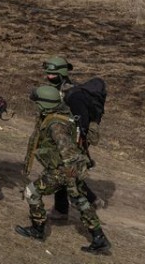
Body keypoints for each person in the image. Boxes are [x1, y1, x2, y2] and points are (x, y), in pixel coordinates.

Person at [17, 85, 111, 254]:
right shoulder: (62, 114)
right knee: (81, 201)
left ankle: (37, 230)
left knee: (31, 192)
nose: (36, 105)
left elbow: (68, 151)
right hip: (69, 169)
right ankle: (99, 237)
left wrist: (69, 177)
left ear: (45, 104)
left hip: (62, 170)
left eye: (38, 102)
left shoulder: (55, 125)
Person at [42, 56, 104, 218]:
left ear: (61, 74)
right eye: (48, 74)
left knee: (65, 172)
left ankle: (86, 204)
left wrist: (75, 146)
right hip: (61, 137)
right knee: (62, 171)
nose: (49, 77)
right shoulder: (59, 91)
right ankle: (65, 208)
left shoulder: (73, 95)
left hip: (73, 140)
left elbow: (80, 125)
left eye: (53, 74)